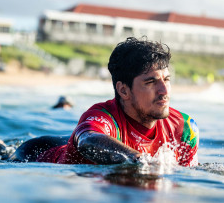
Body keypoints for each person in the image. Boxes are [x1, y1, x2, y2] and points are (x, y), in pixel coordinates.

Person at [10, 37, 199, 167]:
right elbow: (87, 140)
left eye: (166, 80)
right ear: (124, 90)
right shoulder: (104, 117)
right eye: (150, 82)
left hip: (80, 141)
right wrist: (142, 162)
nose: (164, 91)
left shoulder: (184, 130)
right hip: (35, 153)